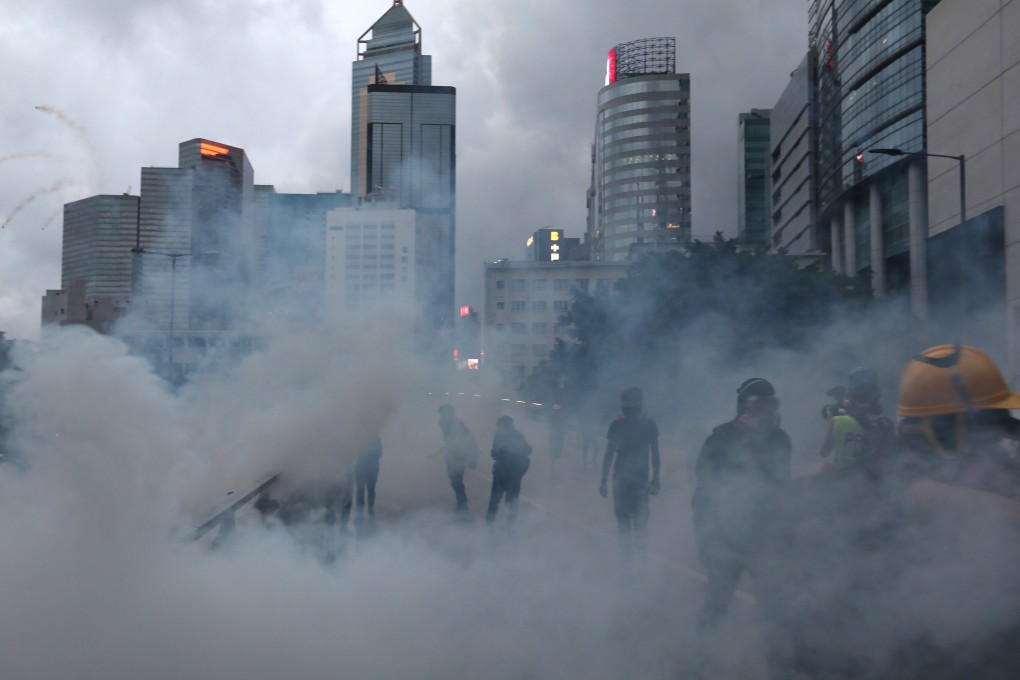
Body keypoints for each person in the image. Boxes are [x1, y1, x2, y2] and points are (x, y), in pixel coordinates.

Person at [764, 345, 1020, 678]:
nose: (999, 450)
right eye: (988, 431)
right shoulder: (898, 476)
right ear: (946, 432)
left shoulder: (976, 467)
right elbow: (922, 495)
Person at [691, 377, 791, 636]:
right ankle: (695, 662)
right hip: (726, 538)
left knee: (772, 605)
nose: (768, 414)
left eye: (772, 407)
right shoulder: (720, 440)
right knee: (717, 604)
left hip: (763, 539)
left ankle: (773, 663)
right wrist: (705, 541)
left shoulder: (780, 440)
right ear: (744, 409)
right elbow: (703, 496)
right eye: (761, 407)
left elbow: (781, 490)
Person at [599, 387, 660, 557]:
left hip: (623, 480)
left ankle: (629, 564)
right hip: (638, 479)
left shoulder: (617, 425)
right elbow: (655, 455)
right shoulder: (649, 425)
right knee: (638, 524)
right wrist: (656, 479)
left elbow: (609, 454)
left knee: (624, 524)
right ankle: (639, 561)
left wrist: (603, 480)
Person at [818, 366, 894, 476]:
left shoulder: (838, 421)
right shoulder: (887, 425)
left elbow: (823, 452)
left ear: (850, 394)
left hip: (843, 485)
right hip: (876, 485)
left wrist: (830, 415)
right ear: (877, 395)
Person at [429, 404, 480, 513]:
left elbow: (469, 441)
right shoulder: (445, 424)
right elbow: (449, 443)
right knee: (455, 481)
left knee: (456, 481)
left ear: (451, 413)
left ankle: (463, 505)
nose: (442, 416)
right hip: (451, 456)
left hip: (458, 457)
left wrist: (472, 459)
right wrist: (437, 453)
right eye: (441, 414)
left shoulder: (458, 425)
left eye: (444, 413)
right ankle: (462, 503)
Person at [485, 415, 532, 526]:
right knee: (495, 498)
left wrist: (510, 455)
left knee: (512, 500)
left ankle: (511, 525)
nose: (499, 428)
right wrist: (496, 453)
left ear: (508, 425)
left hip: (513, 473)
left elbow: (526, 453)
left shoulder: (518, 436)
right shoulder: (498, 435)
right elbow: (494, 450)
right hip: (500, 472)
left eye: (501, 426)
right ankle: (489, 522)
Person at [353, 434, 383, 523]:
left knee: (370, 488)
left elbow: (379, 453)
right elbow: (354, 451)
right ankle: (360, 510)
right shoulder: (359, 438)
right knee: (361, 489)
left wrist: (367, 454)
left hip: (370, 467)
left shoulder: (375, 439)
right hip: (362, 467)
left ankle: (369, 507)